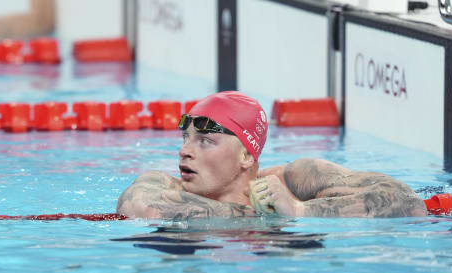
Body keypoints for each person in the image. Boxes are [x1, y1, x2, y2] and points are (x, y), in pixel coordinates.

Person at [116, 91, 427, 219]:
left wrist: (299, 210)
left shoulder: (297, 179)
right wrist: (266, 219)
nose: (184, 151)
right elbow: (136, 205)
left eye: (205, 141)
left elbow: (408, 202)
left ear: (246, 157)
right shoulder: (160, 186)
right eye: (186, 138)